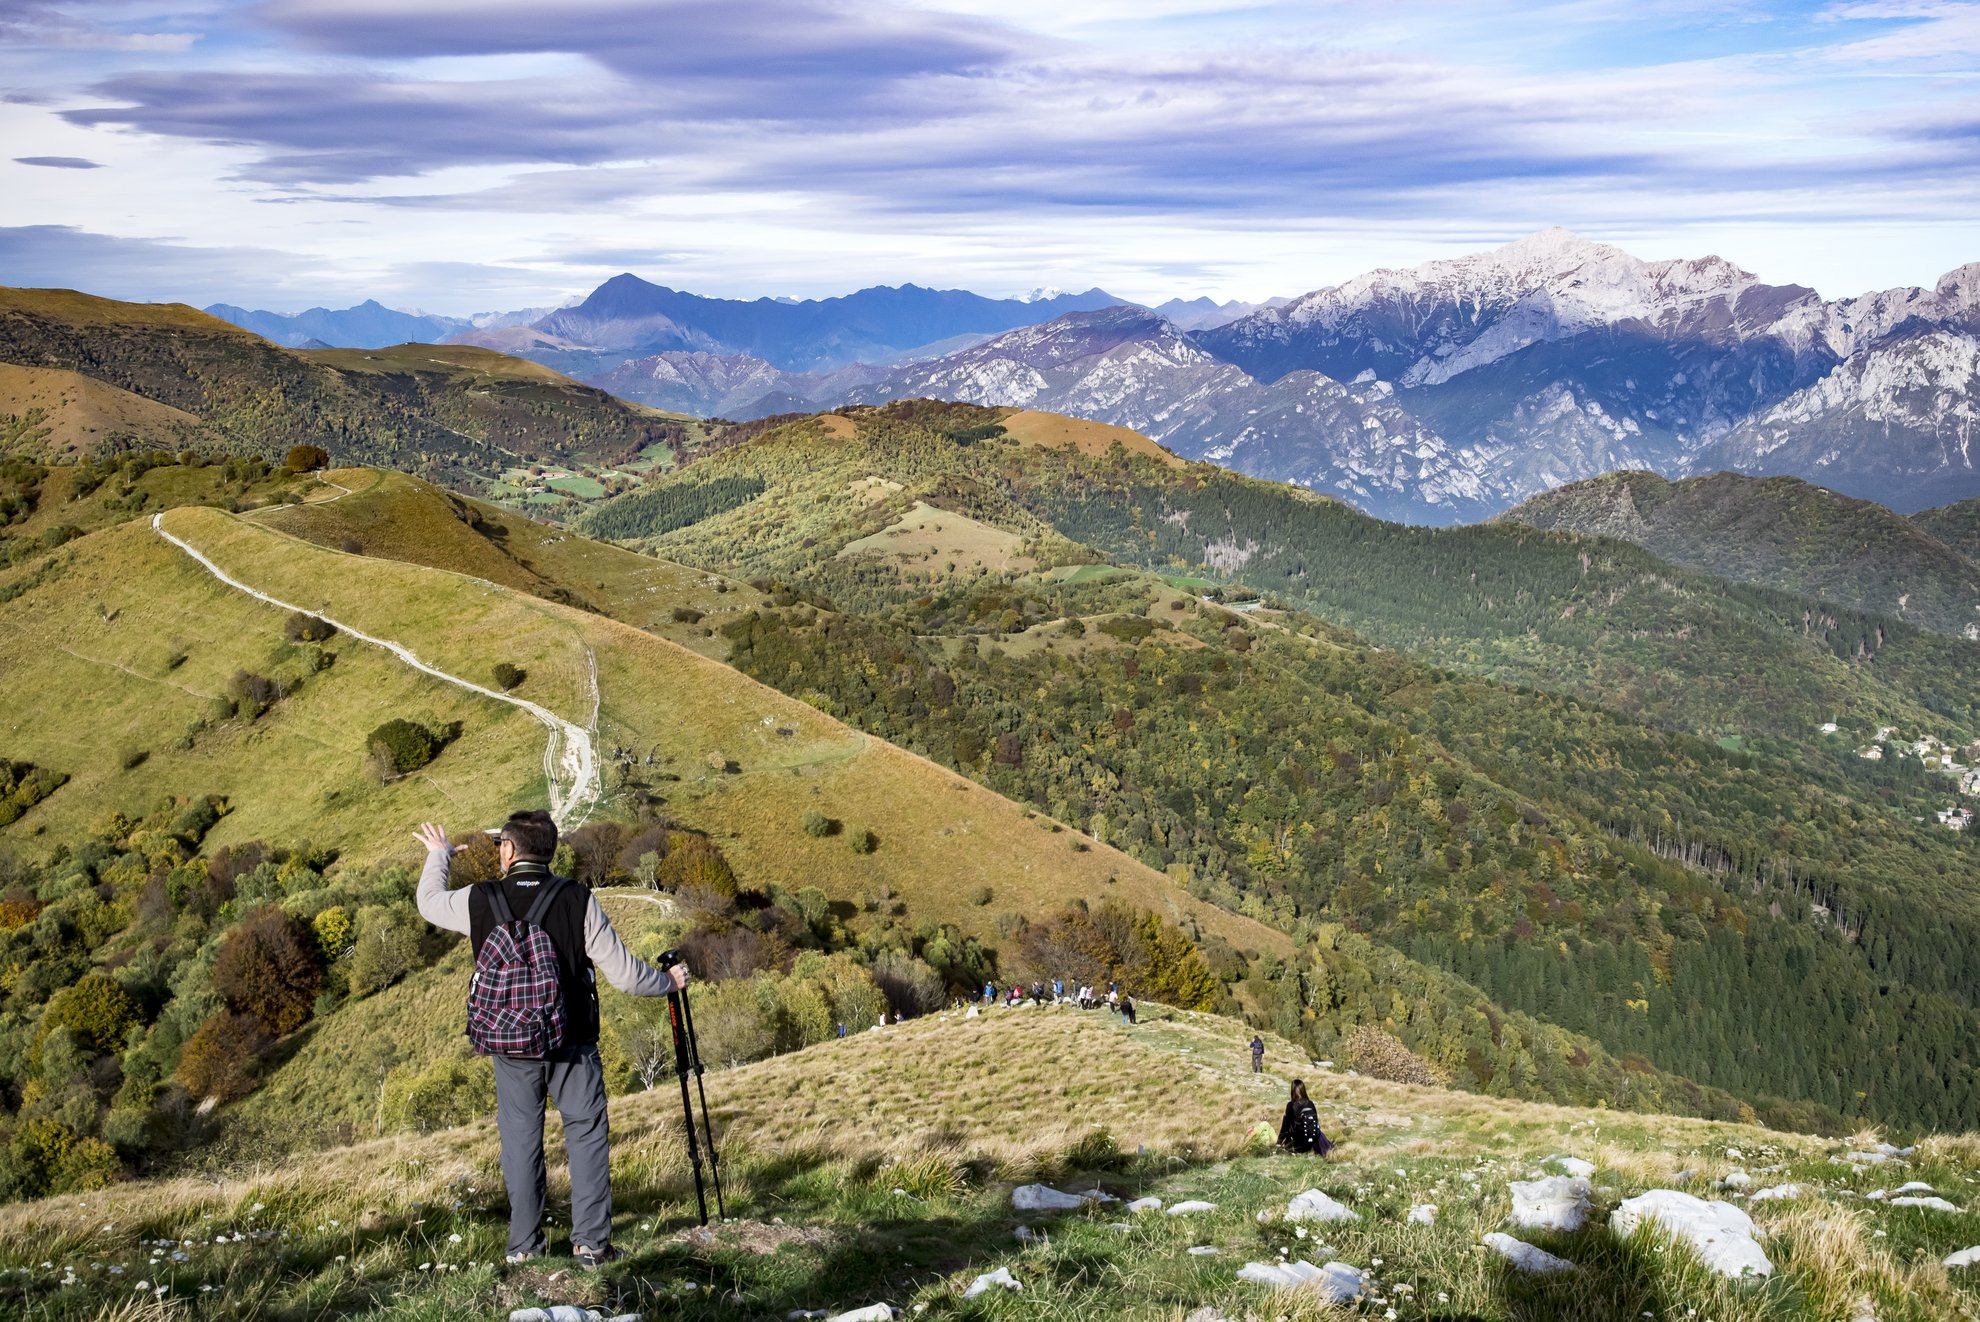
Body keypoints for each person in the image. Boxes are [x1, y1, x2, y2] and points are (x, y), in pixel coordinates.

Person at [415, 812, 688, 1268]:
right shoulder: (576, 899)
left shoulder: (480, 898)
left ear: (508, 850)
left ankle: (524, 1247)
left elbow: (428, 902)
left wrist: (439, 856)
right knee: (586, 1133)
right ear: (550, 852)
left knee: (521, 1141)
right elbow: (625, 976)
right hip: (572, 1041)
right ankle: (591, 1246)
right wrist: (668, 982)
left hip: (510, 1044)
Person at [1277, 1079, 1332, 1156]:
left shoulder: (1291, 1105)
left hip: (1298, 1143)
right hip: (1312, 1142)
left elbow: (1285, 1127)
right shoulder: (1310, 1103)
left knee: (1289, 1124)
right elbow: (1316, 1122)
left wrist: (1279, 1142)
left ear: (1292, 1090)